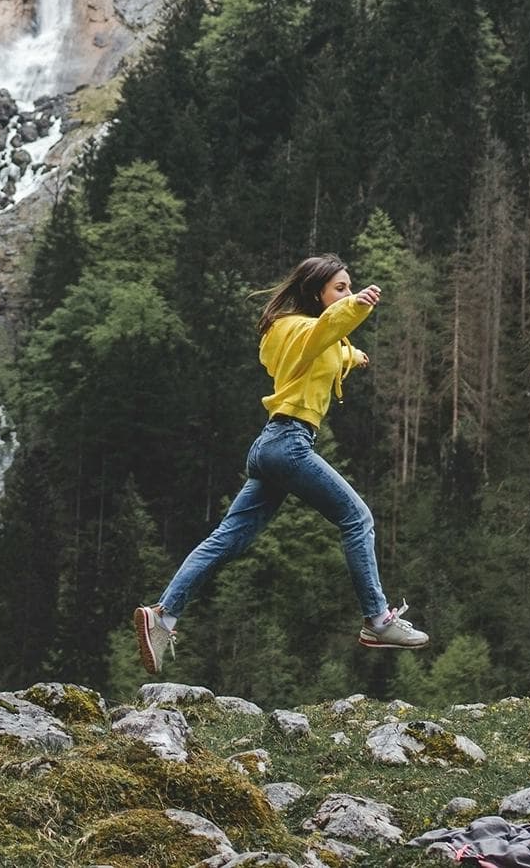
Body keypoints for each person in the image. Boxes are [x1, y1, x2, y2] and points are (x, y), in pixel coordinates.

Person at [133, 254, 429, 673]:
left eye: (349, 287)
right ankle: (378, 621)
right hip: (289, 444)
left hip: (269, 447)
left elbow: (328, 347)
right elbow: (325, 330)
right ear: (315, 293)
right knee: (357, 518)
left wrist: (355, 357)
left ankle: (163, 616)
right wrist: (357, 304)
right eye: (339, 287)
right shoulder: (303, 328)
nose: (347, 292)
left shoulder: (293, 333)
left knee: (226, 539)